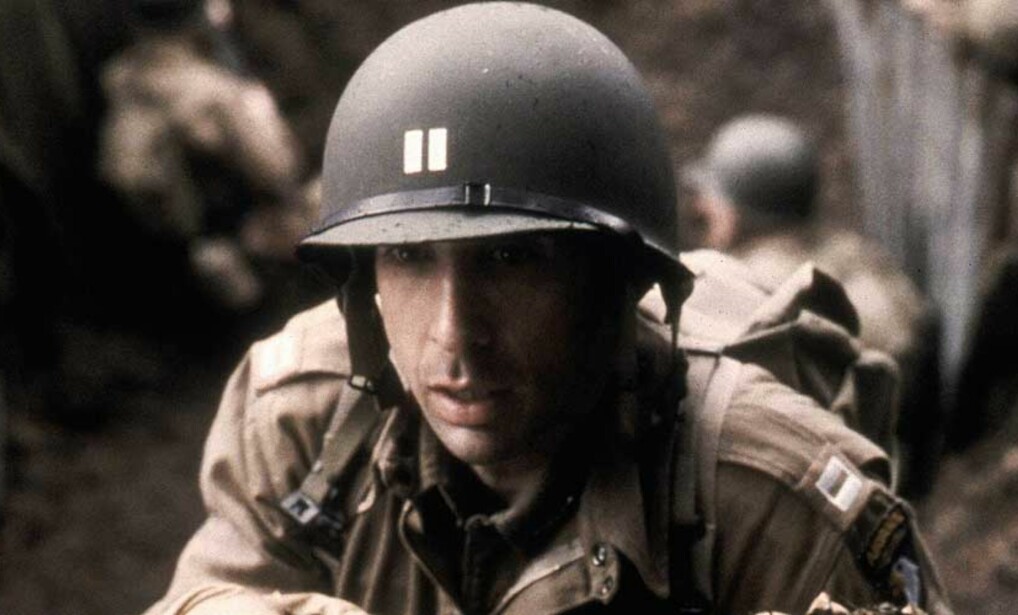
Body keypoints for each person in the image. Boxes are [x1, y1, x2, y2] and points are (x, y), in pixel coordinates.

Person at [144, 5, 952, 615]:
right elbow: (205, 589)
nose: (455, 335)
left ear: (618, 280)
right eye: (409, 257)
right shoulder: (307, 422)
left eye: (510, 260)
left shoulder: (776, 506)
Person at [683, 114, 942, 499]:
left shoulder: (743, 282)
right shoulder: (859, 255)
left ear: (741, 209)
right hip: (900, 470)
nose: (702, 207)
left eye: (713, 200)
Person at [98, 0, 312, 311]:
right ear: (198, 16)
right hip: (240, 250)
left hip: (156, 256)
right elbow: (275, 169)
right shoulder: (213, 92)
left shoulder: (122, 79)